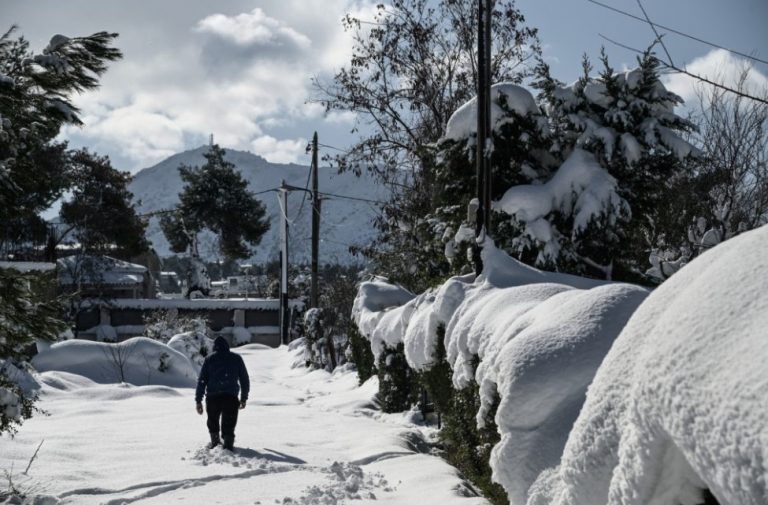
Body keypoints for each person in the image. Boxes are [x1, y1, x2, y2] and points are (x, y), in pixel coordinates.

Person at [195, 336, 250, 450]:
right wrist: (243, 398)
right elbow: (244, 379)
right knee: (229, 423)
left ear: (215, 347)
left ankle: (215, 443)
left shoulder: (210, 359)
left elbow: (202, 380)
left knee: (213, 421)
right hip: (231, 397)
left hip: (213, 397)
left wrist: (198, 400)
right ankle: (228, 445)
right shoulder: (236, 358)